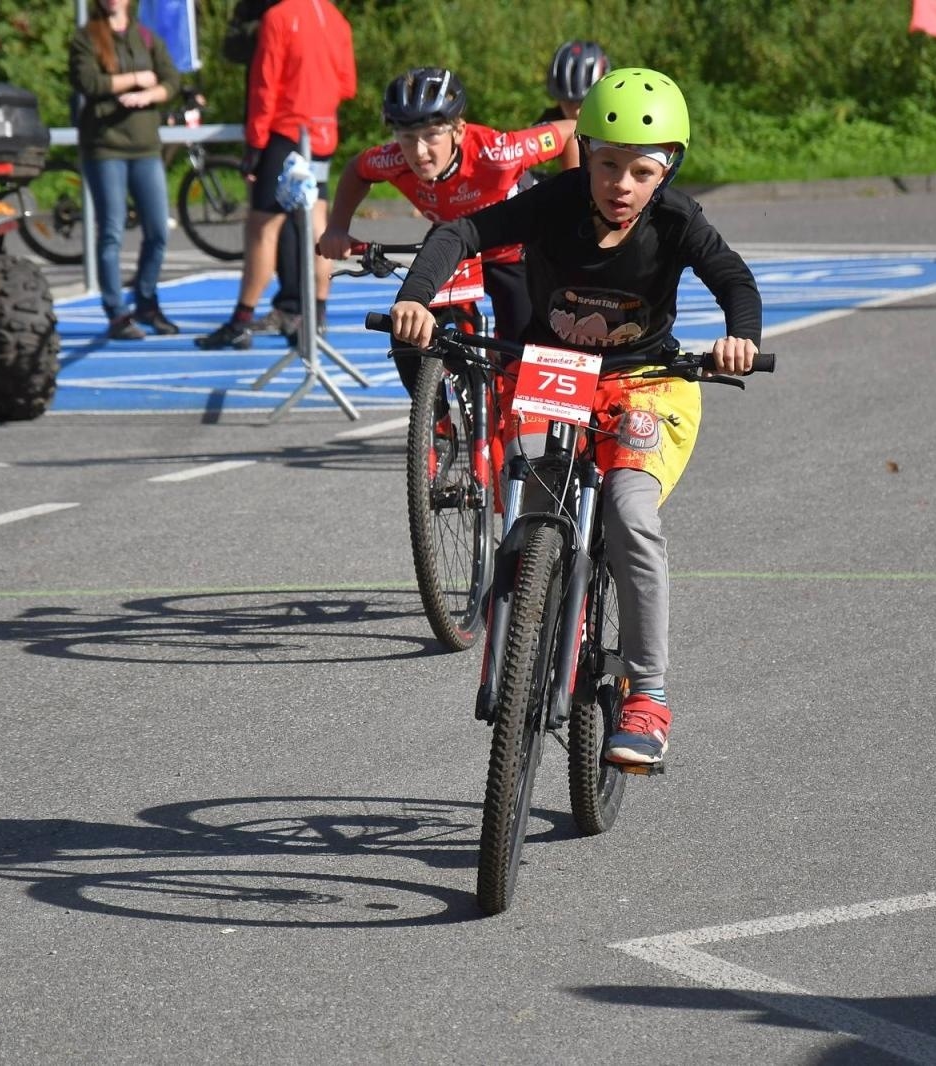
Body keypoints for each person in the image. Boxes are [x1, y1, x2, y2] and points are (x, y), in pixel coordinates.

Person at [388, 68, 762, 767]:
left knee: (630, 513)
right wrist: (418, 295)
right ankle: (527, 627)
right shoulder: (552, 201)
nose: (621, 182)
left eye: (641, 171)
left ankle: (647, 695)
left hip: (644, 384)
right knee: (528, 505)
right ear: (585, 152)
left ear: (667, 171)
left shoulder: (679, 220)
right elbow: (460, 231)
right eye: (607, 163)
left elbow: (734, 280)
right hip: (555, 377)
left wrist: (739, 336)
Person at [318, 67, 574, 381]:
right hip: (451, 248)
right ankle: (433, 423)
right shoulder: (394, 161)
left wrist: (570, 200)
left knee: (521, 353)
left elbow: (570, 131)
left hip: (511, 251)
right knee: (406, 330)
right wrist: (337, 228)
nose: (419, 151)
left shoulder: (498, 153)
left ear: (458, 130)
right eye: (407, 138)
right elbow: (358, 170)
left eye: (431, 135)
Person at [196, 0, 356, 350]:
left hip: (285, 134)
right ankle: (317, 315)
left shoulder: (278, 17)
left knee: (262, 229)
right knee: (317, 223)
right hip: (322, 133)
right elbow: (347, 85)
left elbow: (264, 85)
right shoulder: (335, 18)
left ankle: (241, 318)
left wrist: (254, 146)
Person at [69, 0, 182, 340]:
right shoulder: (86, 37)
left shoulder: (145, 36)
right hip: (105, 147)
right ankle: (117, 312)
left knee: (158, 231)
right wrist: (134, 79)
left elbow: (171, 79)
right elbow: (88, 82)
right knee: (112, 231)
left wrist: (150, 94)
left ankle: (146, 300)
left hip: (145, 146)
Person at [538, 40, 610, 170]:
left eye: (584, 101)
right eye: (569, 102)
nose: (577, 111)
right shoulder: (551, 121)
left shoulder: (620, 126)